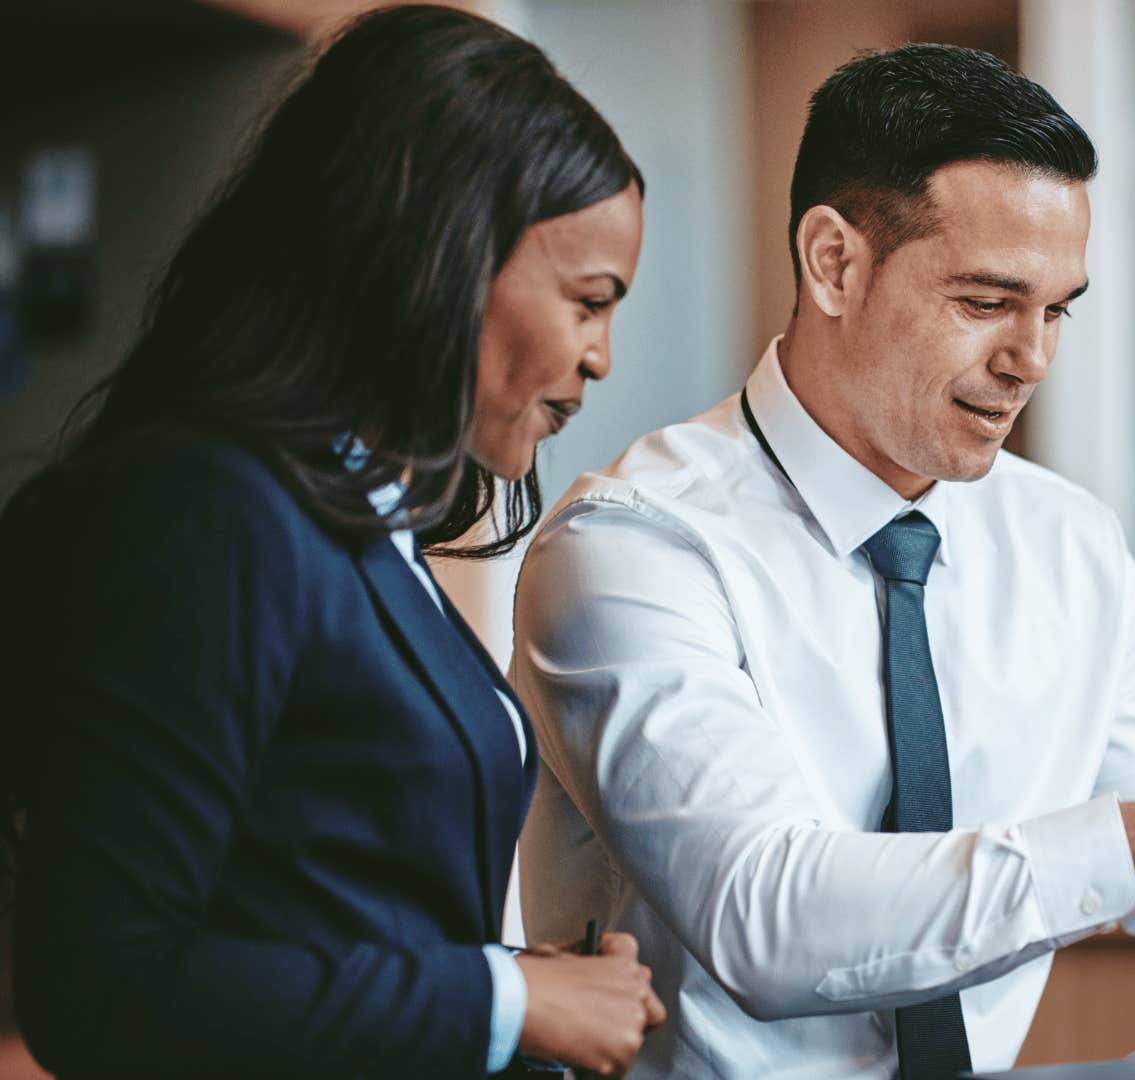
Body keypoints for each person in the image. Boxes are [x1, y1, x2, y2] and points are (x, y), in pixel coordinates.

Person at [509, 43, 1135, 1080]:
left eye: (1057, 308)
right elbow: (768, 920)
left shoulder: (1065, 545)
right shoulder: (633, 548)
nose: (1031, 358)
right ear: (834, 262)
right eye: (986, 302)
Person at [0, 7, 663, 1076]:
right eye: (589, 302)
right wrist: (503, 997)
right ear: (439, 258)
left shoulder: (362, 526)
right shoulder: (209, 512)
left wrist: (516, 993)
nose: (601, 359)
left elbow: (321, 904)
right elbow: (103, 983)